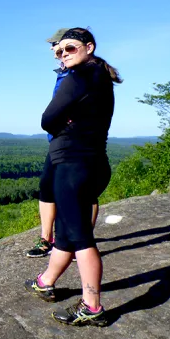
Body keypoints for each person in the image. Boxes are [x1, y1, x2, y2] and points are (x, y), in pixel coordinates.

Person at [24, 27, 122, 326]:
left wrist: (61, 118)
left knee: (79, 236)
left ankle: (92, 307)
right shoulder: (100, 77)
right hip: (91, 163)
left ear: (88, 47)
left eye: (69, 48)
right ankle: (45, 282)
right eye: (59, 52)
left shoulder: (78, 78)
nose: (63, 55)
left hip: (73, 165)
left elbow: (46, 119)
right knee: (66, 230)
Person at [26, 29, 99, 258]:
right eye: (56, 47)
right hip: (58, 140)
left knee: (84, 192)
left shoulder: (86, 71)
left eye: (60, 46)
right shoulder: (64, 71)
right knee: (47, 189)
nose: (55, 50)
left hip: (79, 142)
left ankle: (81, 243)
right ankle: (47, 239)